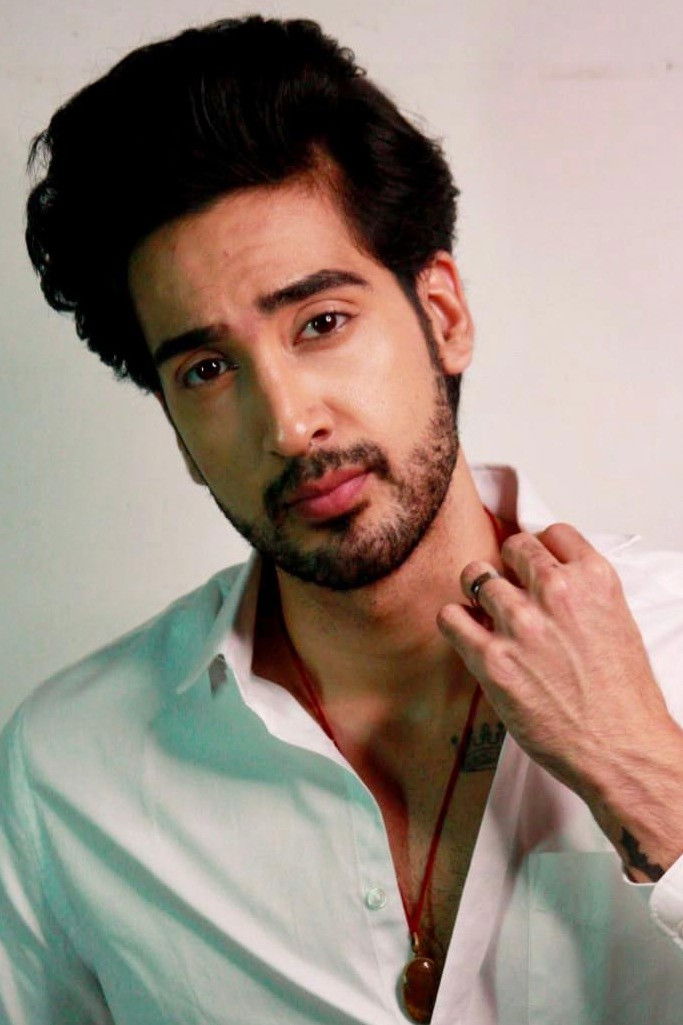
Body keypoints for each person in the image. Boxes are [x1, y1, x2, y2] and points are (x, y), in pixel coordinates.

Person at [2, 15, 683, 1025]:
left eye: (320, 322)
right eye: (206, 368)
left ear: (442, 316)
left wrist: (649, 778)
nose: (286, 423)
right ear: (177, 427)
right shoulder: (71, 770)